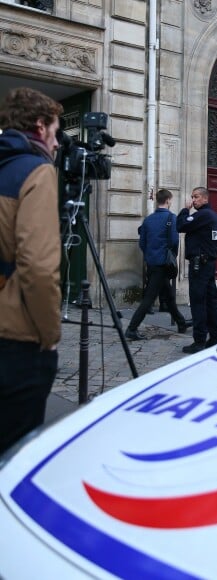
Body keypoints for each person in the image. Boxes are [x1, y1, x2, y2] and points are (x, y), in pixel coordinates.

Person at [0, 87, 63, 454]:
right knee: (14, 452)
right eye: (55, 132)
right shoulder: (36, 170)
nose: (56, 145)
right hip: (17, 336)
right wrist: (49, 333)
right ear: (40, 127)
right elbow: (38, 268)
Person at [125, 188, 188, 340]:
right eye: (170, 200)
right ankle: (132, 328)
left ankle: (181, 323)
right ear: (167, 201)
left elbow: (142, 243)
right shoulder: (171, 218)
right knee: (149, 299)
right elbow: (174, 241)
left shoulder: (148, 219)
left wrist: (150, 255)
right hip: (163, 264)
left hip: (152, 262)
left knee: (168, 296)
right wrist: (170, 255)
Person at [177, 186, 217, 354]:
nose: (193, 200)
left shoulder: (202, 215)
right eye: (192, 197)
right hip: (208, 264)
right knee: (210, 301)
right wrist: (214, 254)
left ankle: (199, 340)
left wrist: (185, 210)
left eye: (196, 197)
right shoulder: (214, 216)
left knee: (198, 302)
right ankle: (215, 337)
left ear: (205, 199)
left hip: (199, 265)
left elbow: (180, 226)